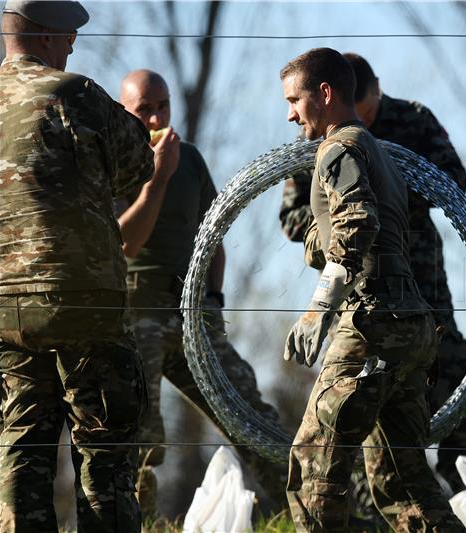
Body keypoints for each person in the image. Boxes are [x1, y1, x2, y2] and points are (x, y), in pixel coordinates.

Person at [279, 52, 466, 493]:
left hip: (420, 280)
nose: (365, 120)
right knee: (362, 412)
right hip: (355, 286)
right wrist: (331, 235)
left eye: (369, 110)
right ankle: (363, 506)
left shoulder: (403, 122)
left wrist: (381, 196)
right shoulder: (316, 141)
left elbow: (451, 181)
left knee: (449, 375)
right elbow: (294, 218)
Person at [0, 1, 155, 531]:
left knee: (22, 442)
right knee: (104, 446)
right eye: (68, 36)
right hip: (80, 299)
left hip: (4, 310)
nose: (72, 47)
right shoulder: (72, 94)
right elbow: (139, 162)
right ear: (44, 36)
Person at [115, 69, 289, 518]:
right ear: (124, 113)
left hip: (193, 316)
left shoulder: (189, 159)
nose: (155, 117)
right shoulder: (115, 160)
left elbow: (212, 239)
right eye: (143, 110)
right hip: (139, 316)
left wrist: (214, 300)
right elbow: (125, 243)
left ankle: (306, 511)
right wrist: (157, 178)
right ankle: (139, 523)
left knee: (248, 411)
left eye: (162, 106)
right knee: (138, 438)